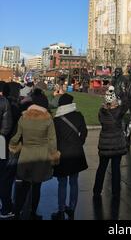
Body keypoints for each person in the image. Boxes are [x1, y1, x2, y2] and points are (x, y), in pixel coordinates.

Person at [9, 91, 60, 220]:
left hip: (26, 154)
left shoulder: (24, 117)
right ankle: (33, 213)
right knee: (37, 186)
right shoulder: (48, 119)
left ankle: (17, 211)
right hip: (41, 156)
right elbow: (52, 140)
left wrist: (13, 146)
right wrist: (54, 155)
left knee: (24, 186)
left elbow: (16, 137)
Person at [51, 94, 88, 221]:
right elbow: (84, 132)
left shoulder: (56, 120)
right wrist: (80, 142)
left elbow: (53, 138)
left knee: (62, 183)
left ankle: (61, 209)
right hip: (76, 152)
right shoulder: (78, 116)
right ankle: (72, 208)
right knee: (74, 182)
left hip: (62, 153)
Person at [93, 87, 129, 200]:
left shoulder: (101, 112)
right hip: (116, 145)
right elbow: (127, 104)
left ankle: (97, 190)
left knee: (101, 168)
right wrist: (121, 93)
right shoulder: (118, 112)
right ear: (113, 101)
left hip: (105, 145)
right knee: (115, 169)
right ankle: (115, 191)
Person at [0, 81, 13, 219]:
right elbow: (6, 127)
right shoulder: (4, 102)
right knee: (3, 176)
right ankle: (5, 208)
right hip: (1, 142)